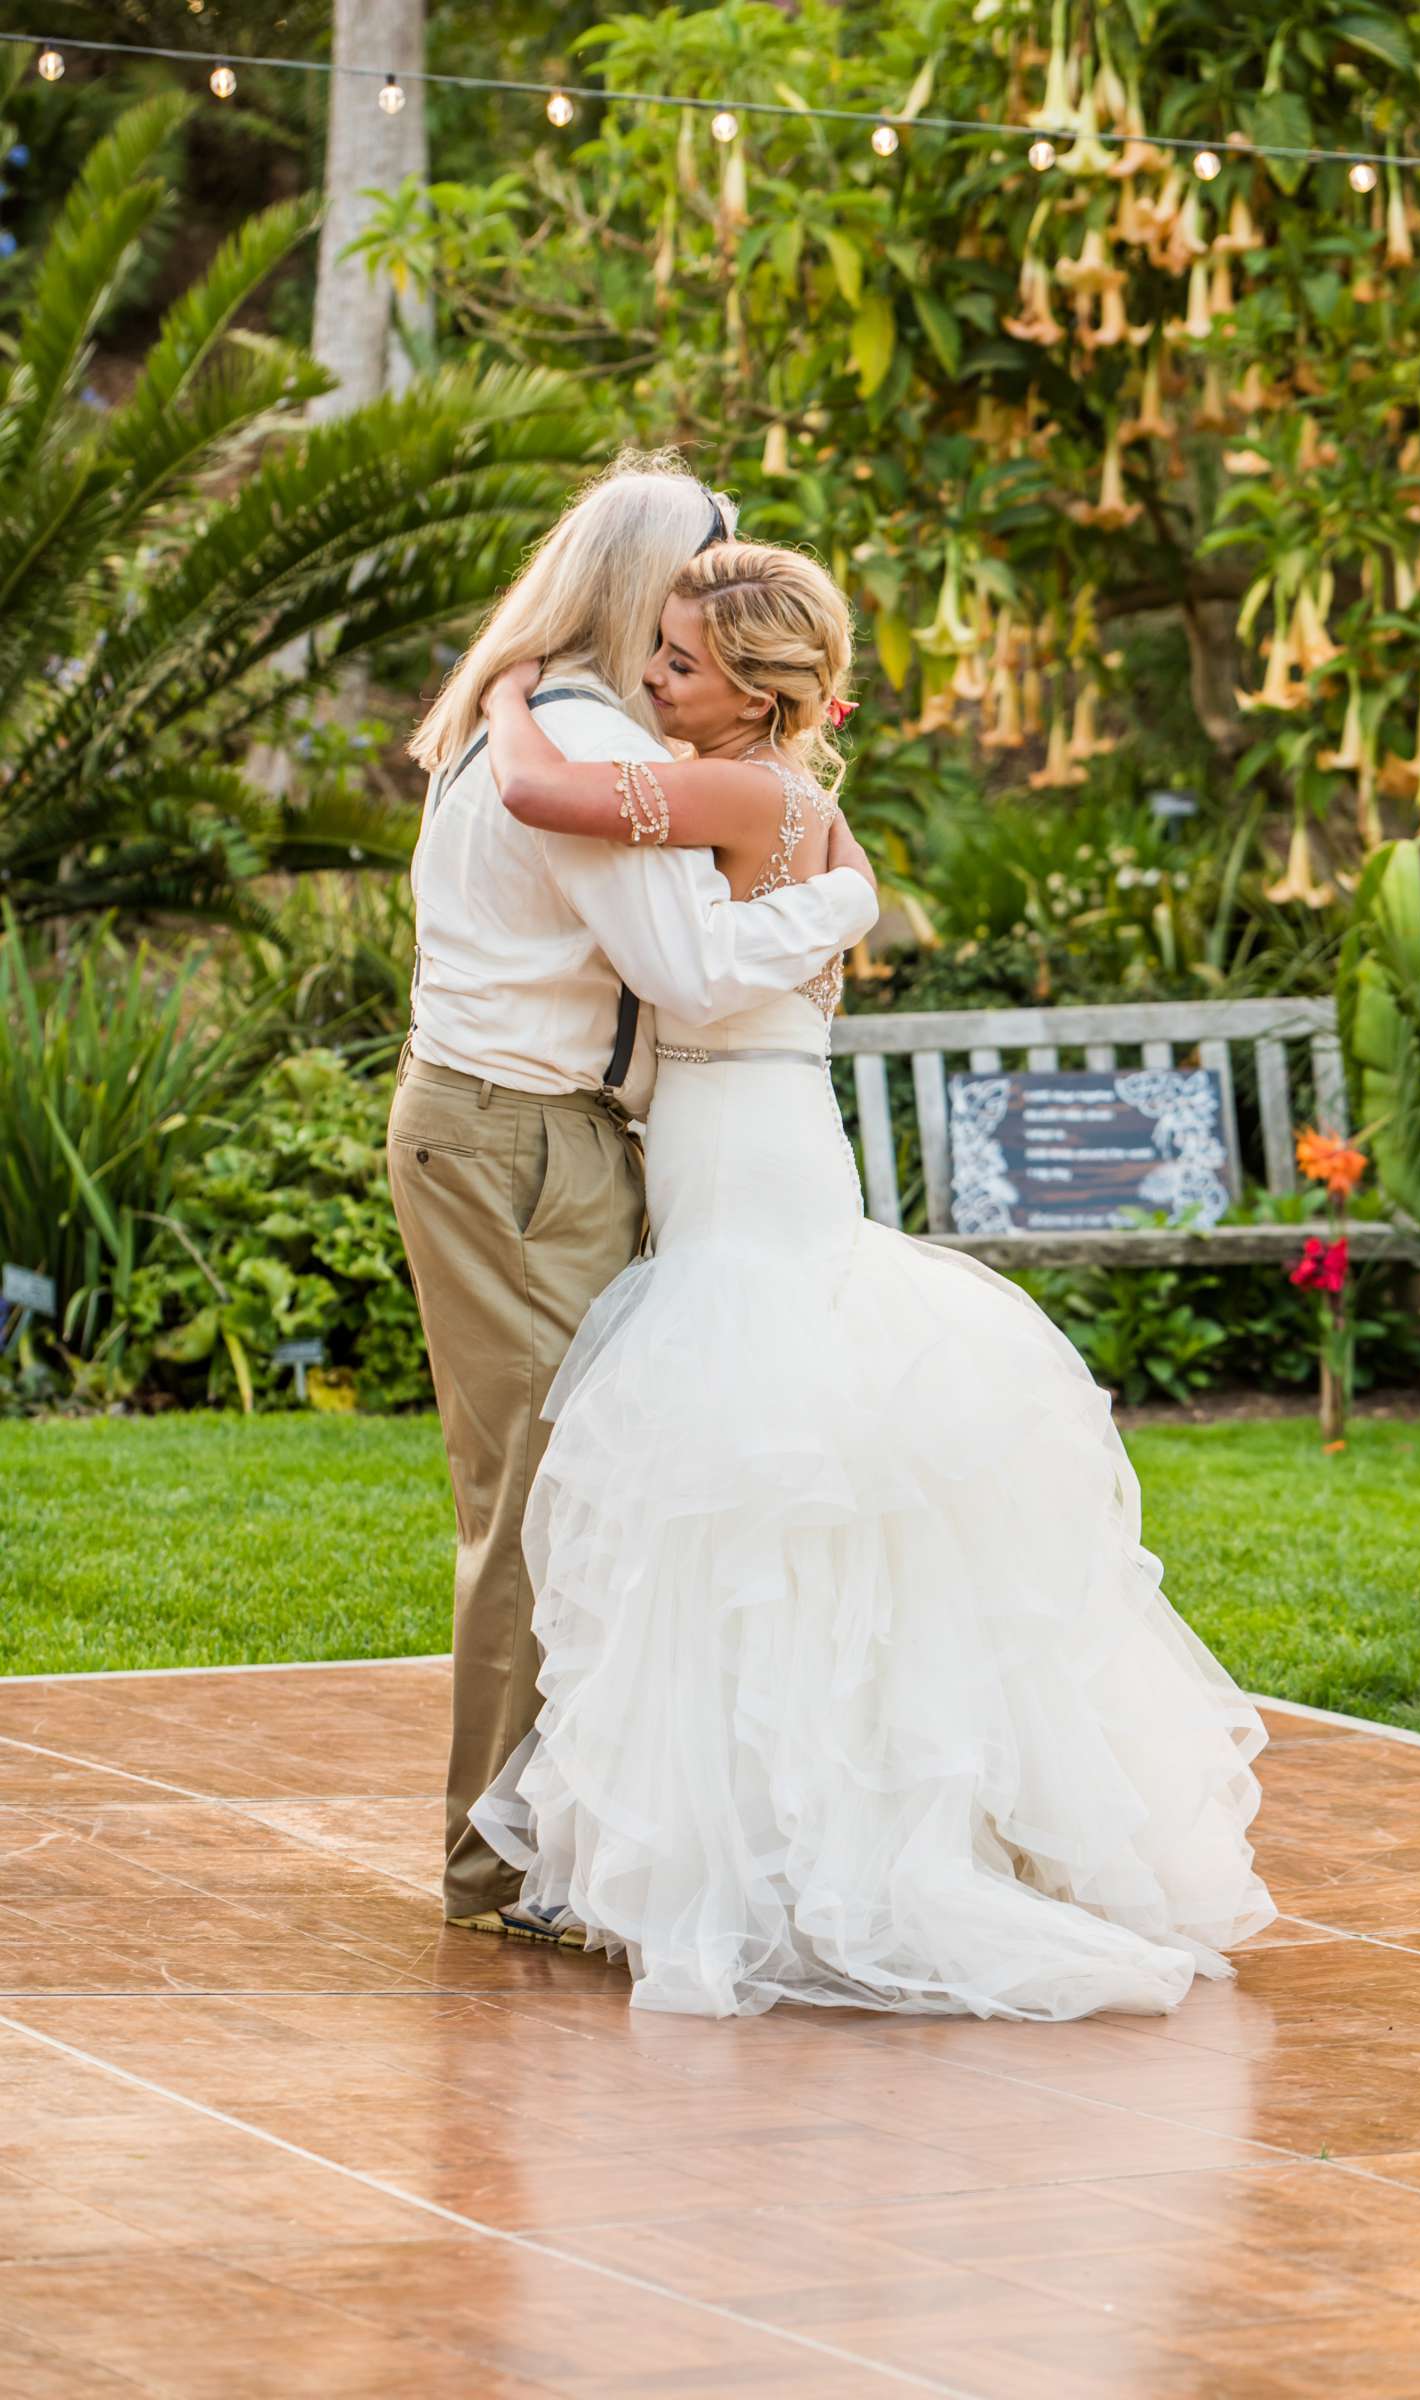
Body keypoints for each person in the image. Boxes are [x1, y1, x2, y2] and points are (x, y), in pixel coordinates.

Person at [469, 537, 1276, 2021]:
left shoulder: (734, 785)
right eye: (651, 653)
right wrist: (827, 912)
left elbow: (535, 795)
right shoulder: (805, 807)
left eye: (681, 665)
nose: (651, 679)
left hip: (745, 1160)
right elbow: (823, 912)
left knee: (748, 1474)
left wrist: (511, 686)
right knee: (782, 1485)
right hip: (756, 1137)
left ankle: (776, 1846)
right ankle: (791, 1821)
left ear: (760, 697)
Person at [395, 458, 881, 1937]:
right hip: (520, 1141)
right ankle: (507, 1864)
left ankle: (573, 1841)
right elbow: (682, 966)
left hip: (568, 1142)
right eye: (680, 608)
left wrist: (499, 690)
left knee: (596, 1498)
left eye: (713, 629)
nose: (692, 631)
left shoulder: (567, 725)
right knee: (554, 1508)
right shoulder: (584, 738)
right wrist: (842, 906)